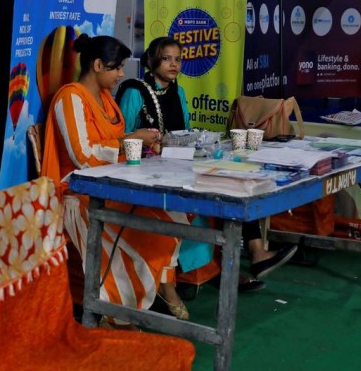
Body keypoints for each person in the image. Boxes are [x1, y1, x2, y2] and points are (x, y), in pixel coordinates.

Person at [115, 37, 297, 290]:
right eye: (167, 58)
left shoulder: (178, 91)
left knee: (231, 182)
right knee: (211, 198)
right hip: (148, 170)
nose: (174, 65)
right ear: (152, 59)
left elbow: (186, 132)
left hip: (178, 162)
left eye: (178, 59)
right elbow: (121, 136)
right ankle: (222, 272)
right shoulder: (135, 90)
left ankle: (256, 253)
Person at [41, 34, 187, 324]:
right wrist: (132, 138)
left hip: (113, 184)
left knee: (173, 215)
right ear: (97, 65)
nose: (122, 74)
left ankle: (158, 289)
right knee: (122, 245)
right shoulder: (70, 98)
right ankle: (117, 316)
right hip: (79, 192)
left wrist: (146, 145)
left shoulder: (107, 99)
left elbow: (116, 144)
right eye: (117, 67)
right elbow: (83, 156)